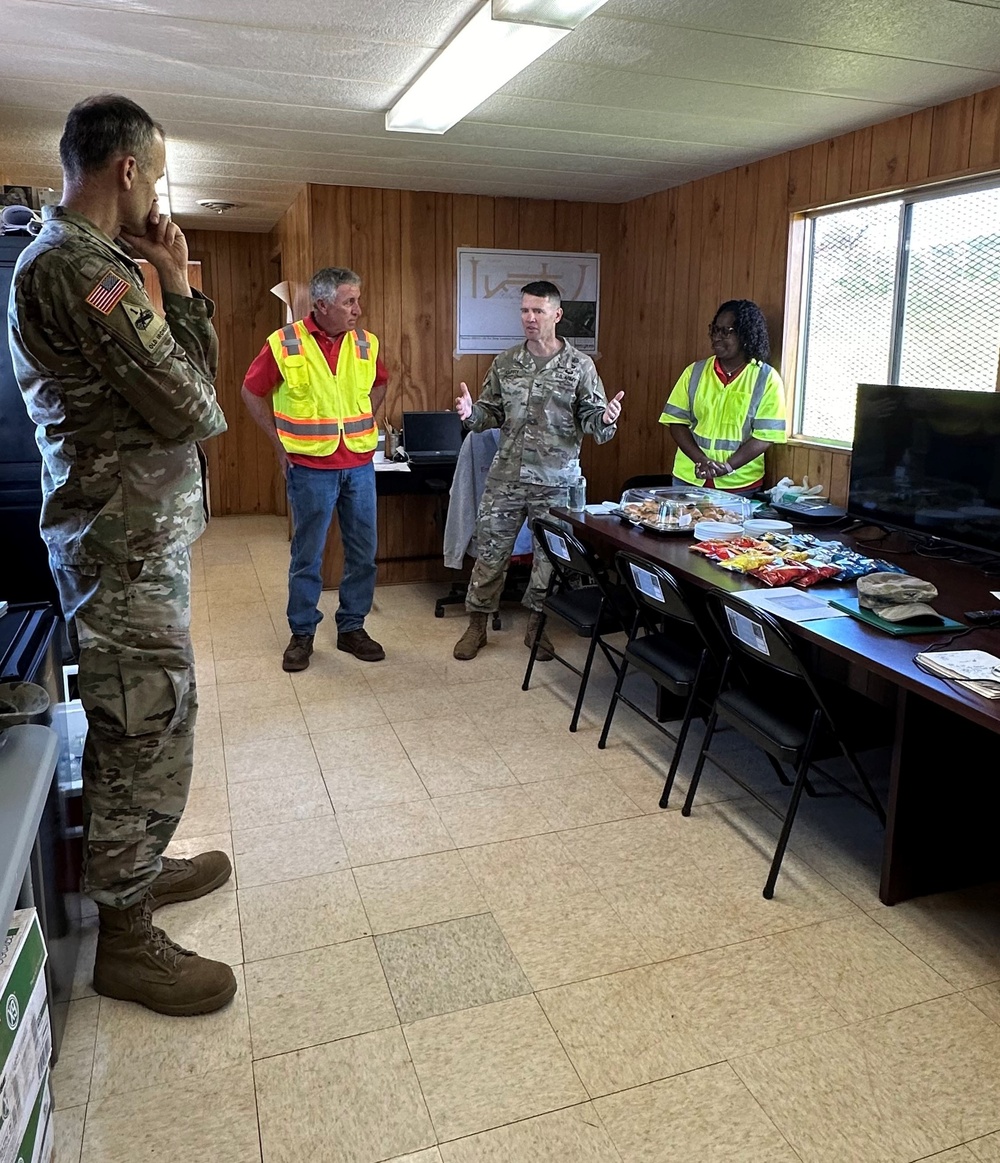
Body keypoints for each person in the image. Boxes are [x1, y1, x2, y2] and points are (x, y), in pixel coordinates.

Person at [8, 94, 235, 1015]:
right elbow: (194, 407)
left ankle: (131, 872)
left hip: (135, 536)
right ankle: (127, 939)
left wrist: (175, 287)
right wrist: (166, 295)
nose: (161, 194)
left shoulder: (102, 265)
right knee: (144, 721)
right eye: (159, 172)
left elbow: (191, 385)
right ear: (129, 170)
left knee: (139, 714)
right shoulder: (81, 271)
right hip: (118, 541)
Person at [452, 280, 624, 661]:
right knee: (491, 552)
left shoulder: (580, 366)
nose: (529, 318)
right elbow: (489, 413)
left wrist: (606, 418)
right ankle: (477, 625)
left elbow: (594, 423)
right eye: (525, 311)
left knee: (550, 560)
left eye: (538, 311)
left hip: (556, 482)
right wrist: (470, 414)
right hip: (507, 478)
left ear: (557, 315)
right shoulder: (506, 362)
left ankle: (537, 627)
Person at [242, 268, 388, 670]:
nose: (358, 309)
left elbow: (380, 383)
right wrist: (278, 447)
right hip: (309, 468)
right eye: (349, 302)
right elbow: (251, 392)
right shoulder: (285, 343)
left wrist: (366, 419)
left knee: (363, 553)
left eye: (357, 300)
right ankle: (302, 634)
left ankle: (352, 628)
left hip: (358, 464)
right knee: (307, 555)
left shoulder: (365, 343)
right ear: (322, 305)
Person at [659, 299, 786, 493]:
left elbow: (765, 437)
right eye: (715, 329)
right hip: (689, 478)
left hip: (739, 484)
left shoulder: (766, 379)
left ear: (745, 335)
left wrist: (727, 467)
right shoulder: (694, 372)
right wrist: (701, 460)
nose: (717, 337)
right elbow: (676, 422)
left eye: (726, 331)